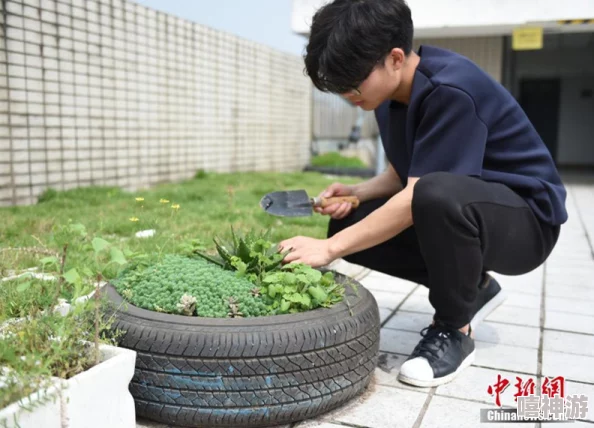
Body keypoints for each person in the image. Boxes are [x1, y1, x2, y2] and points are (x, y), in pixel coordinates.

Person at [278, 0, 567, 387]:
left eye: (352, 81)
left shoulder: (451, 89)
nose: (347, 93)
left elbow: (420, 193)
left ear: (395, 58)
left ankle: (454, 329)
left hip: (528, 223)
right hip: (469, 208)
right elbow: (402, 174)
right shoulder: (387, 97)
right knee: (351, 221)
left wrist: (328, 251)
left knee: (431, 196)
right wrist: (358, 193)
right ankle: (475, 289)